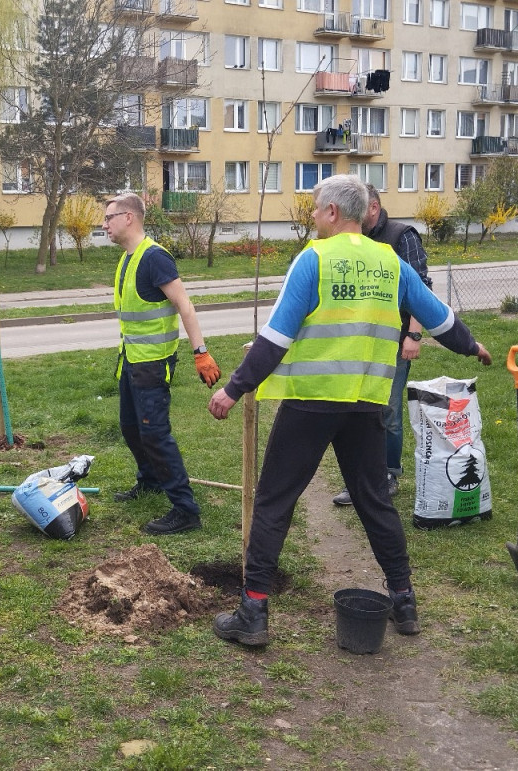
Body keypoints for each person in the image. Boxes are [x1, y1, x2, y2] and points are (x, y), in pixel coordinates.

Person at [207, 175, 491, 645]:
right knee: (374, 500)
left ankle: (253, 612)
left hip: (311, 403)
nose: (314, 216)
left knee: (275, 499)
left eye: (317, 209)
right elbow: (439, 317)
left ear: (334, 212)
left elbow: (276, 337)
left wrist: (234, 388)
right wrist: (471, 345)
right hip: (366, 402)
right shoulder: (391, 263)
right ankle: (404, 600)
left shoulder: (313, 260)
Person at [104, 192, 221, 535]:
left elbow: (185, 305)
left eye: (109, 217)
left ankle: (185, 510)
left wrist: (200, 352)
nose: (104, 224)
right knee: (130, 426)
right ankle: (151, 479)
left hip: (153, 365)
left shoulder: (154, 258)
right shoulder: (129, 257)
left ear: (129, 218)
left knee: (155, 434)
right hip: (132, 361)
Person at [332, 183, 433, 506]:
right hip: (359, 341)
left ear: (372, 207)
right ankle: (360, 477)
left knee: (386, 408)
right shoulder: (356, 238)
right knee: (357, 407)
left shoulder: (402, 236)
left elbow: (422, 288)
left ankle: (387, 475)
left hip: (394, 340)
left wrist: (414, 334)